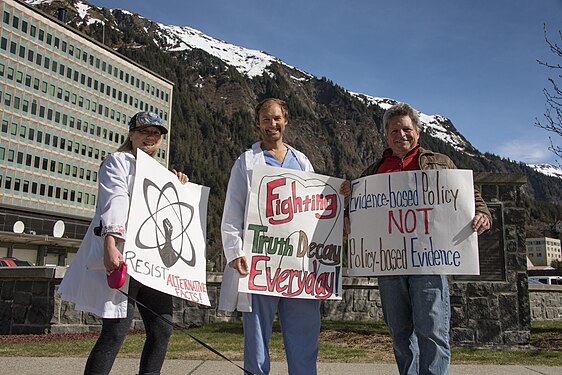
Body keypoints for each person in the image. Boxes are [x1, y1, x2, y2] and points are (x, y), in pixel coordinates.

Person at [356, 102, 491, 375]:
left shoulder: (441, 163)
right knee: (399, 334)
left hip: (429, 263)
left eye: (406, 129)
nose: (401, 135)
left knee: (433, 330)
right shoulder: (372, 173)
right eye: (394, 130)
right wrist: (349, 217)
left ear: (417, 131)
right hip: (389, 265)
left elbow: (472, 199)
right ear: (386, 135)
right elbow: (359, 213)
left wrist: (483, 215)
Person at [58, 111, 189, 375]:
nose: (150, 137)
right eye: (144, 132)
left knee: (162, 328)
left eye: (156, 134)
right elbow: (114, 201)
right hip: (124, 256)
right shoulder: (118, 162)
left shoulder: (159, 173)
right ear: (132, 135)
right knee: (115, 332)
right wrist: (110, 244)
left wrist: (178, 185)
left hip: (151, 262)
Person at [218, 98, 320, 375]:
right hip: (260, 260)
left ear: (285, 121)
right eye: (265, 119)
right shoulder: (246, 162)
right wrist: (234, 251)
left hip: (297, 264)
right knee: (257, 338)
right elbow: (232, 210)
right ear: (257, 123)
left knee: (304, 333)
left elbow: (315, 206)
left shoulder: (302, 161)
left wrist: (339, 195)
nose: (271, 124)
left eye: (276, 118)